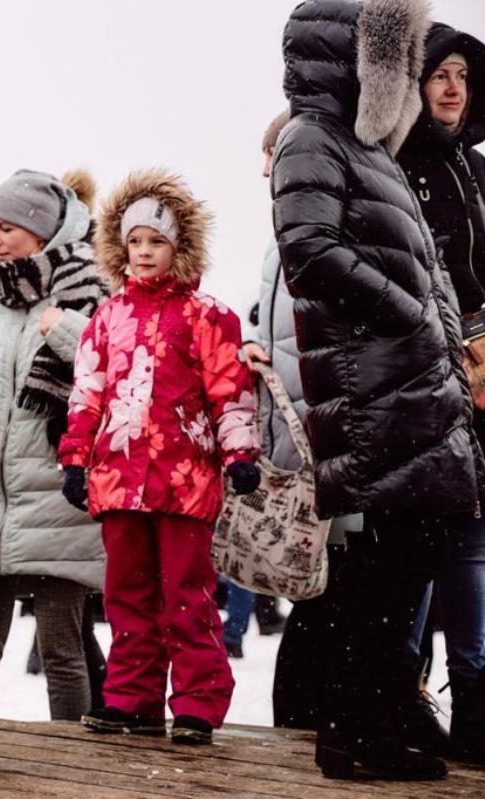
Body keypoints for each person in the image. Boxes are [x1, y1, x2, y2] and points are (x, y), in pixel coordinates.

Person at [271, 0, 481, 781]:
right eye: (397, 63)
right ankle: (350, 730)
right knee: (385, 562)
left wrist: (434, 333)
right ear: (359, 62)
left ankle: (373, 713)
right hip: (372, 386)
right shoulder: (312, 138)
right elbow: (310, 248)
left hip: (410, 386)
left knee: (411, 551)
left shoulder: (369, 149)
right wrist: (407, 318)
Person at [59, 168, 261, 746]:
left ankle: (196, 703)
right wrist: (75, 458)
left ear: (181, 247)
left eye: (157, 242)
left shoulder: (208, 317)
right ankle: (132, 698)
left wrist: (239, 450)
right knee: (127, 595)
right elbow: (88, 392)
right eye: (135, 243)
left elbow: (229, 388)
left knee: (186, 595)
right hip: (119, 477)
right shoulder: (107, 318)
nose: (144, 253)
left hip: (184, 479)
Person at [0, 169, 108, 721]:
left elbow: (109, 366)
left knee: (61, 649)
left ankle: (73, 755)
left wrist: (61, 328)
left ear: (42, 231)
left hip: (55, 498)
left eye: (6, 227)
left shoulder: (94, 286)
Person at [239, 109, 364, 725]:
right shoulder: (279, 238)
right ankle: (306, 718)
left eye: (272, 155)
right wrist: (246, 341)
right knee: (323, 592)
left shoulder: (323, 227)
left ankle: (318, 716)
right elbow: (273, 320)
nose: (265, 169)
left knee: (334, 592)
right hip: (303, 436)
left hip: (334, 435)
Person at [398, 22, 485, 765]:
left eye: (461, 73)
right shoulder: (392, 162)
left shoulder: (479, 171)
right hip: (417, 369)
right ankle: (404, 690)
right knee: (417, 538)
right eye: (438, 74)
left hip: (482, 372)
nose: (453, 86)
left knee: (472, 539)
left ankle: (476, 697)